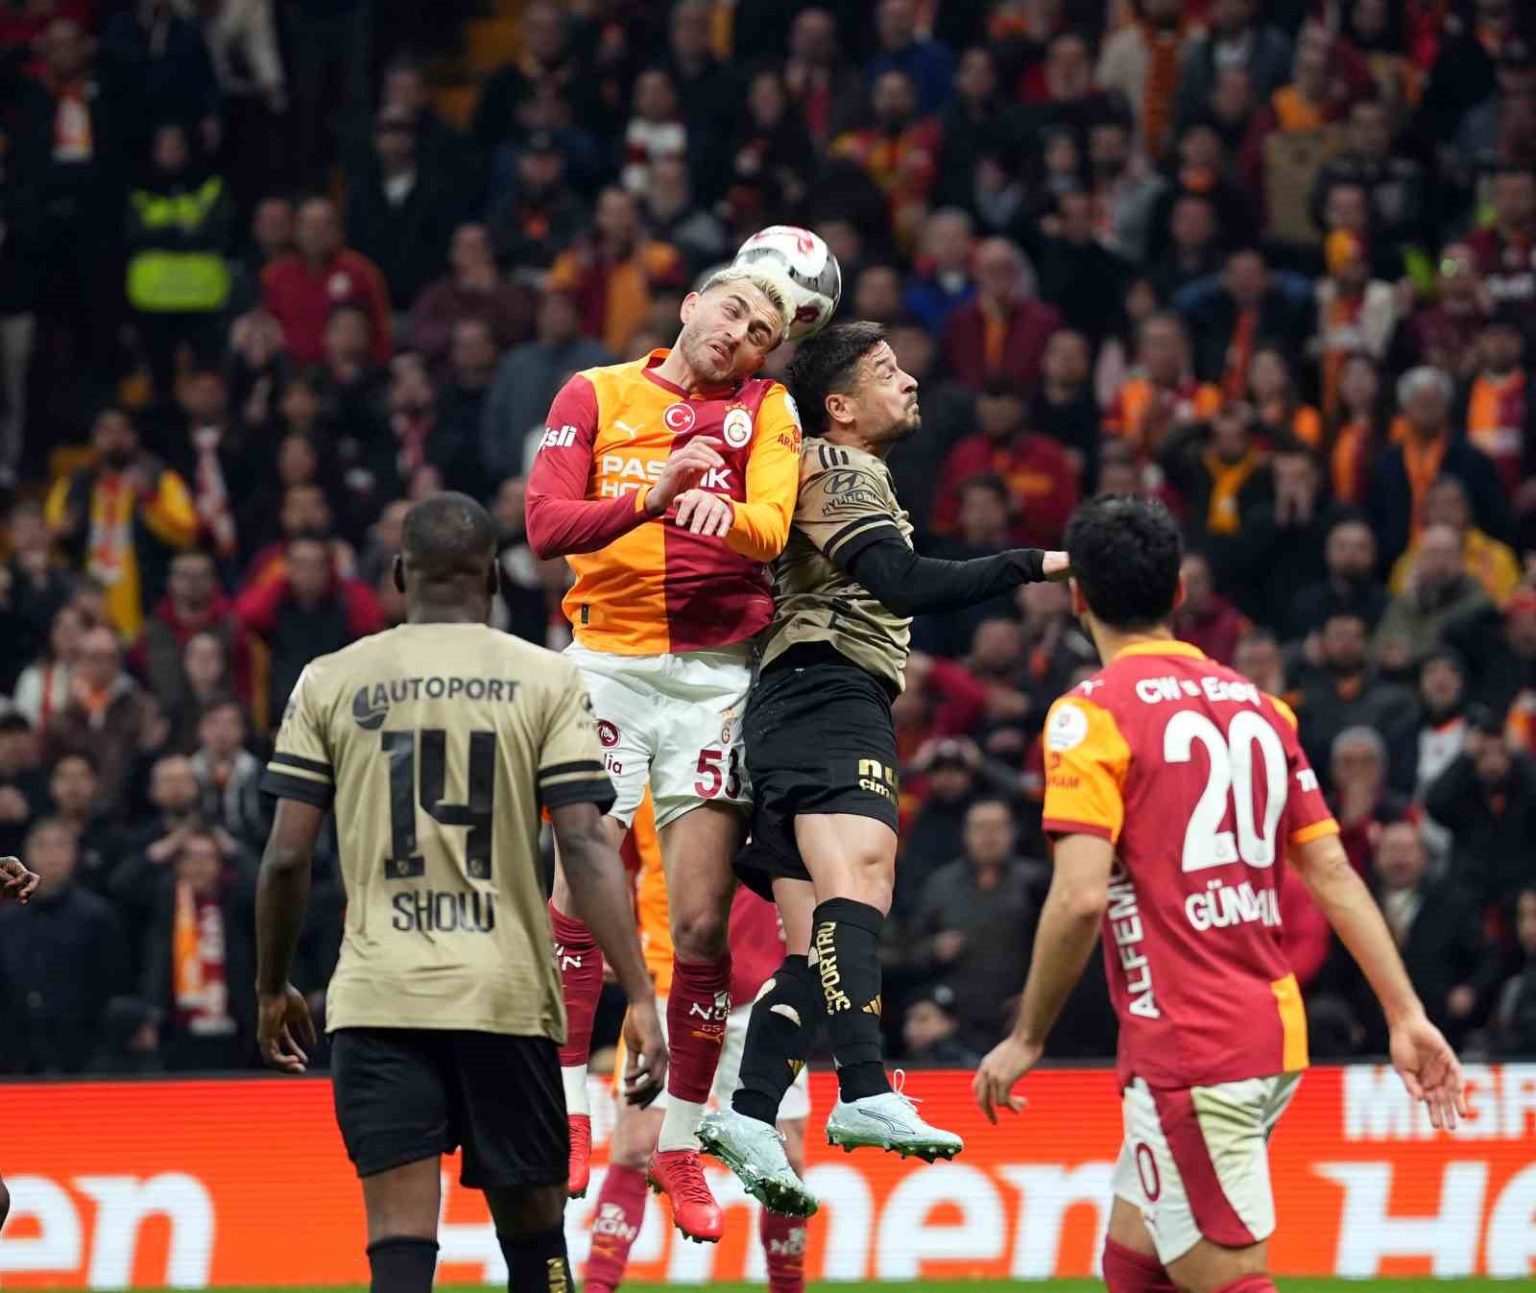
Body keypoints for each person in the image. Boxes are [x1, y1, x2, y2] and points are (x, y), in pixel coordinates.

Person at [972, 494, 1465, 1293]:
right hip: (1267, 1033)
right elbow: (1334, 872)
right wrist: (1405, 1014)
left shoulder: (1089, 715)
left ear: (1077, 597)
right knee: (1135, 1263)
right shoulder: (1262, 708)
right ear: (1178, 591)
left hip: (1191, 1047)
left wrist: (1027, 1036)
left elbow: (1080, 898)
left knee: (1228, 1277)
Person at [695, 321, 1068, 1217]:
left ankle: (750, 1110)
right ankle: (863, 1087)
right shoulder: (840, 466)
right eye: (887, 371)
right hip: (828, 693)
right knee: (861, 884)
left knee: (810, 946)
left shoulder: (829, 468)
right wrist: (1036, 563)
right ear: (840, 405)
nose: (909, 381)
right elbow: (902, 580)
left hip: (794, 704)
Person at [254, 492, 666, 1293]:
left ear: (398, 573)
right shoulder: (546, 677)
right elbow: (585, 842)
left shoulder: (329, 679)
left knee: (400, 1244)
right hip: (504, 996)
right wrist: (641, 993)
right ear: (493, 578)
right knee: (537, 1245)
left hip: (380, 996)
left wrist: (273, 986)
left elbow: (286, 857)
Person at [523, 262, 801, 1239]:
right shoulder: (594, 393)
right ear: (689, 306)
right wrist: (654, 498)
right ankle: (564, 1113)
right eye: (731, 310)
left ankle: (681, 1142)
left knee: (700, 926)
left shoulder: (766, 411)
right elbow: (545, 526)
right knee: (578, 883)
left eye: (761, 331)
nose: (740, 333)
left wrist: (726, 515)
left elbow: (773, 528)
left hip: (715, 681)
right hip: (606, 661)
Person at [584, 800, 810, 1293]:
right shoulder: (640, 779)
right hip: (668, 984)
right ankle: (599, 1287)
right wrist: (606, 937)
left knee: (785, 1159)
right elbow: (607, 864)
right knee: (637, 1145)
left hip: (763, 990)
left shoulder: (767, 770)